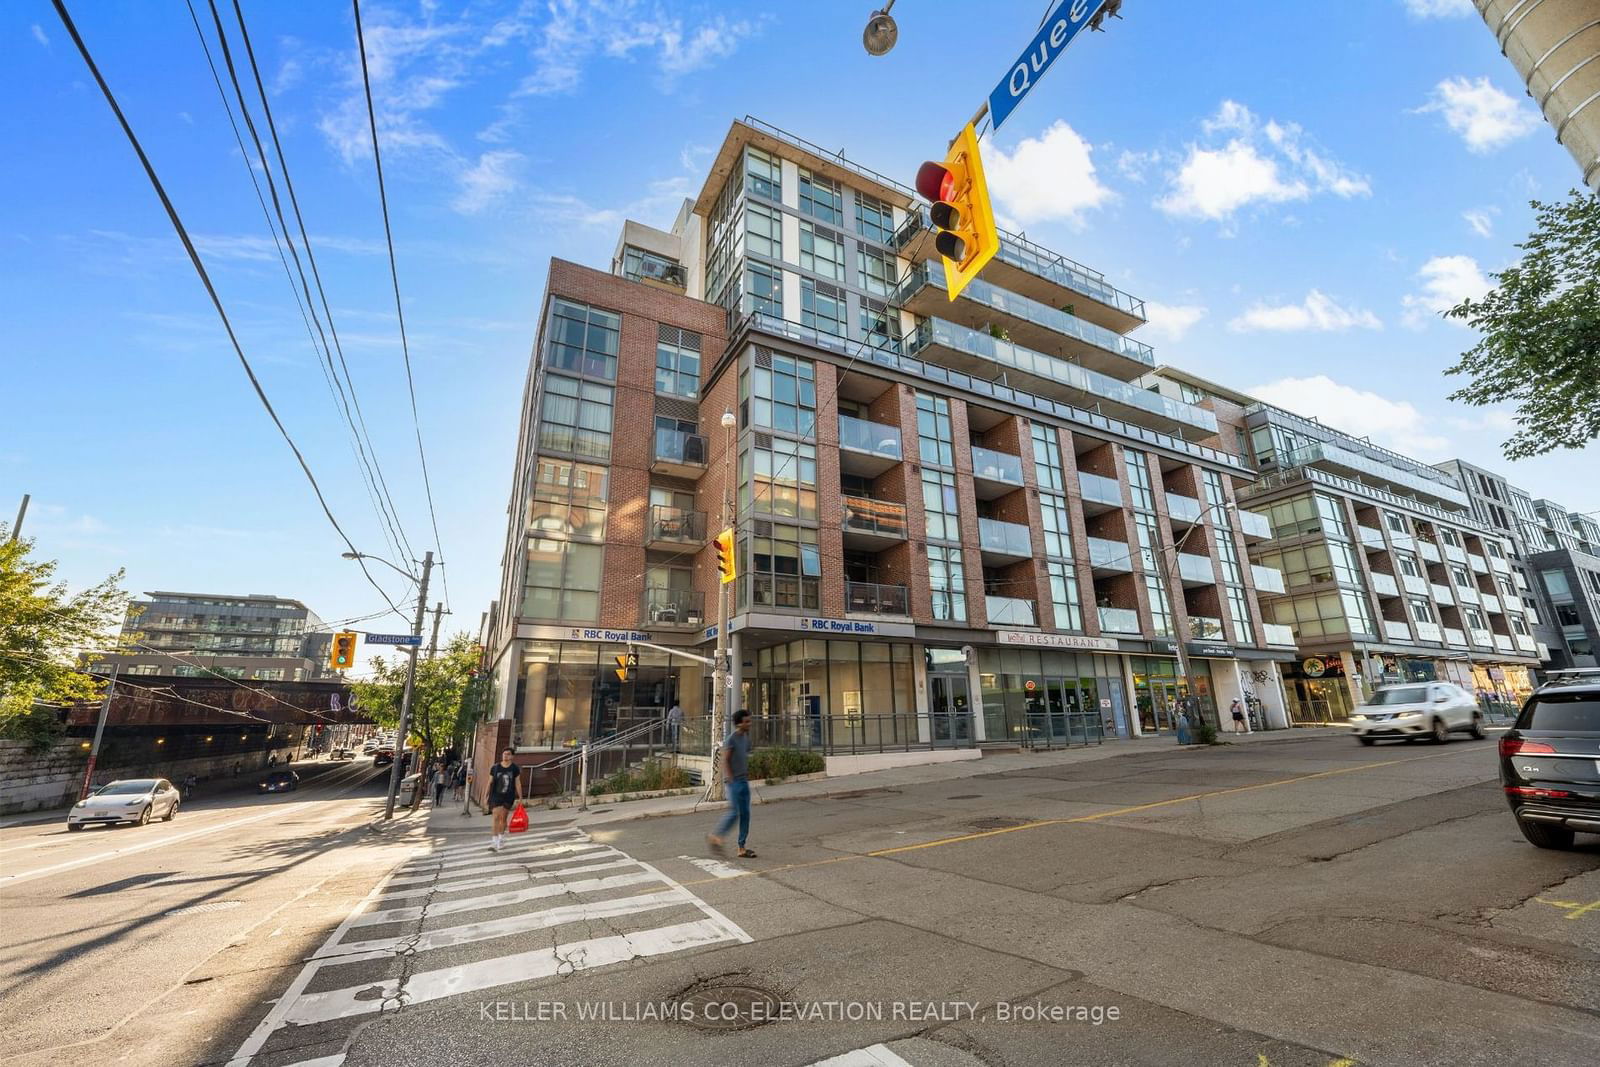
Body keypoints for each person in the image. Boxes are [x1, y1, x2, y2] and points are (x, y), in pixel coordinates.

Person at [708, 709, 756, 859]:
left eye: (749, 720)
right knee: (735, 812)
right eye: (747, 721)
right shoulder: (731, 739)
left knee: (746, 814)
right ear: (739, 723)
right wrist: (731, 779)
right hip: (734, 782)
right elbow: (725, 760)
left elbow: (745, 755)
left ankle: (741, 848)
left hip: (743, 780)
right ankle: (715, 837)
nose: (749, 723)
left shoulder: (745, 738)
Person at [484, 748, 524, 852]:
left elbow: (517, 783)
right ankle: (494, 841)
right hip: (496, 796)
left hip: (508, 796)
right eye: (504, 754)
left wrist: (520, 797)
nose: (505, 756)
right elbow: (489, 782)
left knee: (503, 818)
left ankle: (501, 839)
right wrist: (486, 796)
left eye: (508, 754)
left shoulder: (514, 768)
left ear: (512, 756)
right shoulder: (495, 768)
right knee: (495, 817)